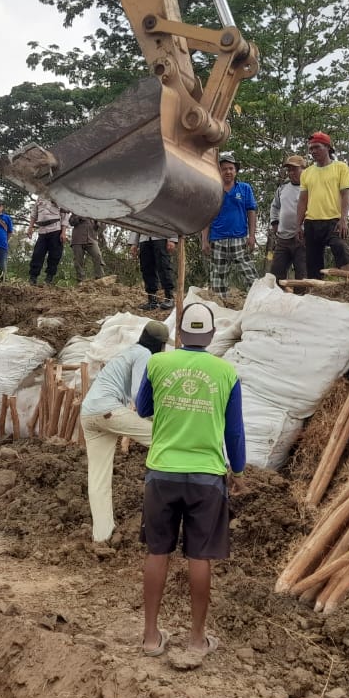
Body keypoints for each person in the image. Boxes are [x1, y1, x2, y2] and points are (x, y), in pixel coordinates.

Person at [135, 302, 245, 658]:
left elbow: (142, 409)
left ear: (180, 334)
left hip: (162, 472)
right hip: (206, 478)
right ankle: (196, 639)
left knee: (157, 552)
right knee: (199, 557)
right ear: (211, 335)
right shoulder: (226, 373)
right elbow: (235, 433)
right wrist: (239, 471)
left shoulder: (157, 363)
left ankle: (151, 637)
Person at [79, 319, 170, 543]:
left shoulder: (128, 352)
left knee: (98, 478)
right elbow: (140, 397)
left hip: (89, 414)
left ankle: (102, 537)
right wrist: (161, 418)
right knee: (166, 438)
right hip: (108, 410)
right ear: (161, 346)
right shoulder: (144, 355)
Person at [200, 152, 258, 301]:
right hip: (218, 240)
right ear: (219, 171)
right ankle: (221, 307)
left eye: (231, 168)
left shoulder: (244, 189)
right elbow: (206, 216)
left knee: (250, 275)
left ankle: (257, 303)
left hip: (240, 239)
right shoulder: (212, 189)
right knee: (218, 279)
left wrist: (252, 236)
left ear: (236, 170)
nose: (228, 172)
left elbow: (251, 212)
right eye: (224, 169)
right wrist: (204, 240)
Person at [297, 131, 349, 277]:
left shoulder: (340, 167)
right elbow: (303, 200)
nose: (313, 151)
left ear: (328, 147)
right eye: (311, 149)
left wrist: (343, 219)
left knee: (341, 248)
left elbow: (346, 194)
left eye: (317, 147)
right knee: (312, 262)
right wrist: (298, 225)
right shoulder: (307, 173)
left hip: (334, 221)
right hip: (311, 222)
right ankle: (315, 292)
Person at [267, 155, 307, 280]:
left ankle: (301, 298)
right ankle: (277, 298)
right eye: (289, 170)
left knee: (302, 274)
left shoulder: (310, 188)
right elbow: (275, 206)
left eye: (294, 169)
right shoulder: (282, 188)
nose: (291, 173)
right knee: (276, 274)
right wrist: (275, 223)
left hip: (302, 239)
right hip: (283, 238)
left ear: (304, 169)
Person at [129, 231, 176, 311]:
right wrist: (134, 243)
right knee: (146, 269)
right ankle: (152, 301)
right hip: (144, 238)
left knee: (164, 267)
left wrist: (172, 239)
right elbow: (137, 221)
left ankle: (169, 298)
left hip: (161, 236)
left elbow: (172, 218)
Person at [27, 196, 69, 285]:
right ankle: (33, 278)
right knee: (37, 254)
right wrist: (30, 227)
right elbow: (34, 213)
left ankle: (49, 279)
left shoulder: (59, 196)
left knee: (54, 255)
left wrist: (63, 232)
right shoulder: (40, 198)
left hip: (55, 229)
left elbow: (65, 216)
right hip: (42, 230)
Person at [69, 213, 106, 283]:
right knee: (78, 261)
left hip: (92, 239)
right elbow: (71, 222)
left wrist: (98, 223)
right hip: (78, 239)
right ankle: (81, 281)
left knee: (98, 255)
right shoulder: (77, 211)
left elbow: (103, 227)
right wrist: (79, 217)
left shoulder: (97, 212)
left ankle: (100, 278)